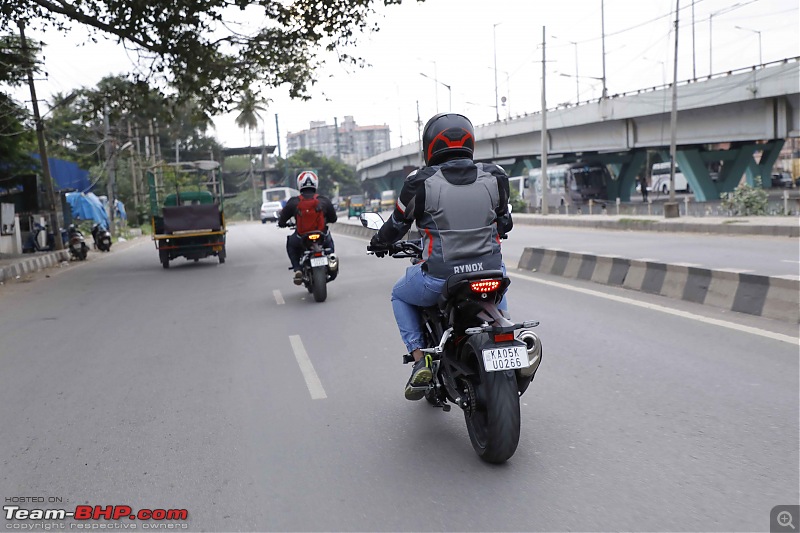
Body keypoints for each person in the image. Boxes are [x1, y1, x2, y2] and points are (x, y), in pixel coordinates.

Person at [368, 113, 513, 400]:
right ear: (469, 141)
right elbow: (504, 223)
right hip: (491, 272)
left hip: (441, 278)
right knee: (497, 282)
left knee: (400, 294)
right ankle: (505, 334)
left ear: (430, 146)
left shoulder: (420, 181)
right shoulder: (495, 175)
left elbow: (397, 226)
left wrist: (378, 242)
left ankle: (421, 357)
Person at [278, 171, 337, 285]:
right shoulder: (324, 200)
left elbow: (282, 220)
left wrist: (282, 223)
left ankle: (297, 269)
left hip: (301, 237)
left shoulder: (294, 202)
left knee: (291, 244)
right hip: (321, 235)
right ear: (316, 184)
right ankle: (331, 261)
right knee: (329, 243)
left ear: (299, 184)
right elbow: (333, 219)